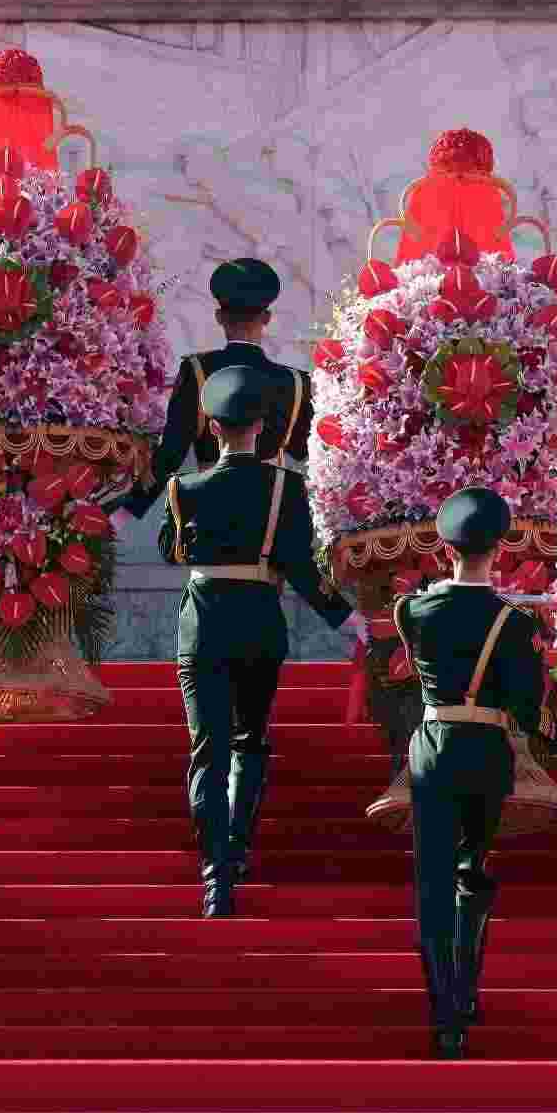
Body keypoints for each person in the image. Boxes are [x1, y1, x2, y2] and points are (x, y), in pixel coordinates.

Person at [396, 488, 557, 1058]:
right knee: (471, 868)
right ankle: (466, 993)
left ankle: (445, 1013)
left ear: (446, 550)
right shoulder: (512, 623)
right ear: (498, 550)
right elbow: (528, 713)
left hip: (432, 745)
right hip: (485, 748)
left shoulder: (411, 611)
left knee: (432, 882)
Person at [156, 366, 356, 917]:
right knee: (249, 742)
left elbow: (171, 551)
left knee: (207, 751)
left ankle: (215, 877)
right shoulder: (286, 488)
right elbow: (300, 568)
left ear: (214, 427)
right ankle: (237, 849)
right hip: (259, 622)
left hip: (202, 625)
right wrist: (346, 619)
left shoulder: (183, 489)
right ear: (263, 426)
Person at [123, 259, 313, 518]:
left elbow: (171, 453)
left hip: (211, 512)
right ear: (267, 318)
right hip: (271, 517)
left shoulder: (198, 371)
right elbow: (302, 451)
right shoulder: (296, 382)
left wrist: (128, 510)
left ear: (219, 317)